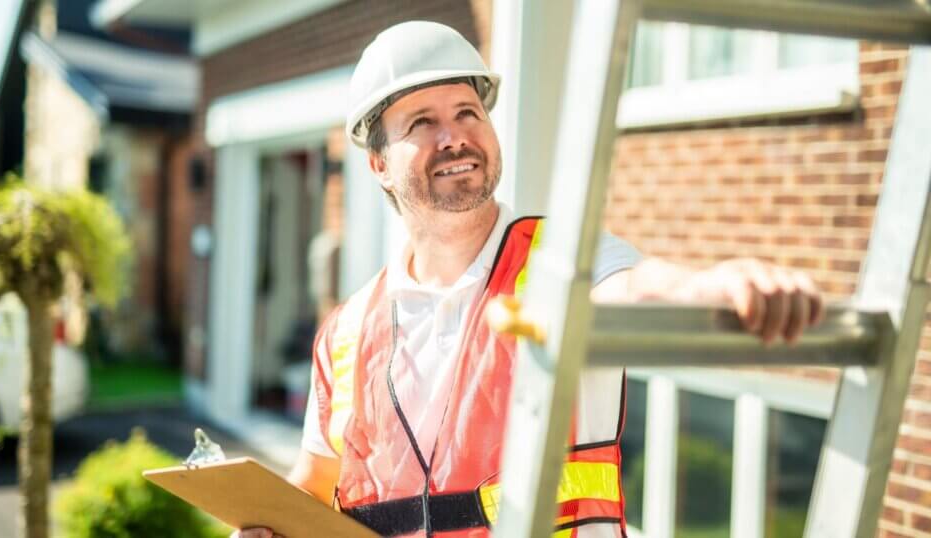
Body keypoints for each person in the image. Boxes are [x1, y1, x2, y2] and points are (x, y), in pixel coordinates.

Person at [237, 21, 822, 538]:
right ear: (379, 165)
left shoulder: (558, 262)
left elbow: (636, 287)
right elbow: (315, 485)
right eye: (423, 121)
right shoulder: (347, 331)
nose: (455, 136)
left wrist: (712, 286)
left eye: (468, 112)